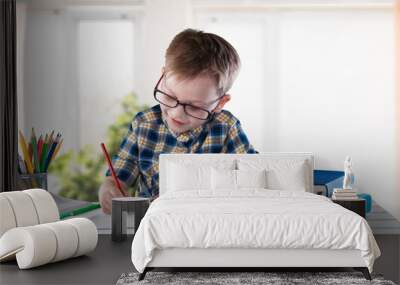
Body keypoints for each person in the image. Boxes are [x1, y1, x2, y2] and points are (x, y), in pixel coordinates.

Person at [99, 28, 257, 214]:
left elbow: (252, 176)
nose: (176, 113)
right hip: (152, 229)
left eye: (194, 106)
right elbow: (121, 173)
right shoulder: (144, 124)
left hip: (208, 226)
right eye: (170, 97)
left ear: (219, 103)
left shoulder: (227, 128)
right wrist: (109, 187)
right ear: (162, 77)